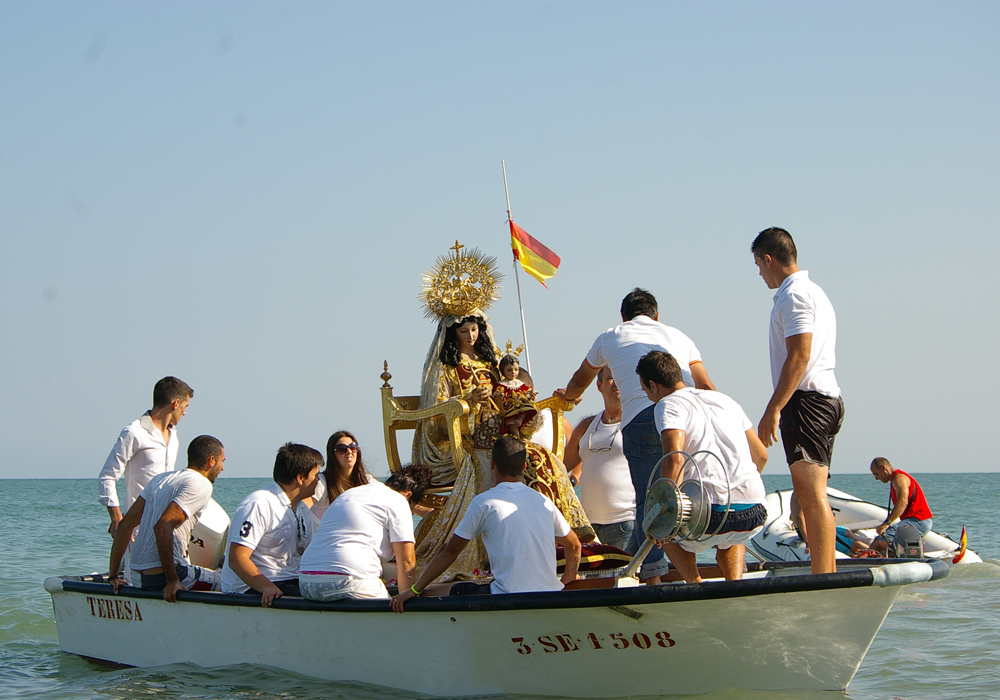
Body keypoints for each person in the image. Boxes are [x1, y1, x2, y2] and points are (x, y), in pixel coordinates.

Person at [412, 243, 592, 583]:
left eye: (475, 329)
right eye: (463, 331)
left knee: (545, 461)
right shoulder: (448, 367)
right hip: (472, 437)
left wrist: (532, 402)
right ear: (452, 332)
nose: (471, 335)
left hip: (504, 435)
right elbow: (438, 410)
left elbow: (511, 392)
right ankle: (485, 555)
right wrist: (468, 400)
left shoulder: (492, 362)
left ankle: (567, 539)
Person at [555, 288, 715, 583]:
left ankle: (654, 578)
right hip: (692, 416)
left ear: (623, 317)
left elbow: (581, 379)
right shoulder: (680, 336)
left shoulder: (610, 336)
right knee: (699, 495)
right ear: (656, 316)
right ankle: (710, 568)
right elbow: (705, 385)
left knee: (650, 500)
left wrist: (568, 396)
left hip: (643, 417)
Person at [391, 436, 581, 610]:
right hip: (552, 595)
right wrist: (569, 578)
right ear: (524, 467)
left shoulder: (484, 502)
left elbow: (449, 552)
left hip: (506, 597)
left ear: (492, 464)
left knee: (435, 591)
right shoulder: (544, 501)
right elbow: (574, 545)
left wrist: (414, 591)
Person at [752, 227, 844, 574]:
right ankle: (825, 570)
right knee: (808, 494)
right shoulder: (813, 291)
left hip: (807, 403)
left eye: (758, 265)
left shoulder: (795, 295)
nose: (759, 273)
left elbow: (799, 356)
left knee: (811, 495)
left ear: (768, 259)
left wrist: (773, 408)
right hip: (820, 399)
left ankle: (825, 577)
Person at [636, 351, 768, 583]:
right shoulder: (726, 400)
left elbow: (674, 459)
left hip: (710, 520)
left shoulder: (667, 405)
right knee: (732, 536)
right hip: (755, 514)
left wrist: (663, 515)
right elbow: (761, 455)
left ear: (652, 385)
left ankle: (695, 584)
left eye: (646, 391)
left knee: (660, 527)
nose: (648, 396)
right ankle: (734, 587)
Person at [108, 435, 226, 602]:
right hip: (167, 576)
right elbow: (162, 526)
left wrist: (112, 576)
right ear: (211, 460)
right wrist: (172, 581)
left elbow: (125, 526)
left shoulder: (160, 479)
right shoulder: (201, 483)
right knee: (231, 583)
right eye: (222, 461)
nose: (222, 468)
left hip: (137, 577)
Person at [298, 464, 431, 601]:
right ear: (408, 495)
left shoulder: (350, 494)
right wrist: (407, 599)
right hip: (346, 581)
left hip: (306, 581)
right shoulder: (399, 500)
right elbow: (407, 561)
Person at [221, 443, 323, 606]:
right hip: (249, 587)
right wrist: (267, 587)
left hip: (289, 579)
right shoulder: (259, 504)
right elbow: (237, 558)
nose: (319, 480)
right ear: (300, 478)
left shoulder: (302, 508)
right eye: (316, 475)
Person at [98, 376, 193, 538]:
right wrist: (117, 518)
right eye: (185, 406)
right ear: (175, 403)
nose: (184, 412)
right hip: (136, 529)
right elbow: (107, 477)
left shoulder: (174, 435)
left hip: (164, 525)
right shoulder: (134, 432)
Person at [563, 366, 636, 551]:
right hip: (589, 527)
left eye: (620, 377)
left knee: (628, 578)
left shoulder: (636, 423)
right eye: (610, 378)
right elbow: (560, 467)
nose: (616, 383)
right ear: (599, 385)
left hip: (627, 523)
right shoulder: (586, 426)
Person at [869, 457, 932, 554]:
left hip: (919, 521)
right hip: (915, 521)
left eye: (876, 474)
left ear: (883, 468)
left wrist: (886, 523)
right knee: (878, 544)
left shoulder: (899, 478)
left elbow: (902, 502)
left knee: (882, 540)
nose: (876, 478)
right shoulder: (895, 479)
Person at [308, 430, 373, 524]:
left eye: (353, 447)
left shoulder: (368, 482)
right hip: (323, 536)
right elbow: (303, 507)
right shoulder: (322, 482)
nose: (349, 452)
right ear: (332, 454)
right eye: (342, 449)